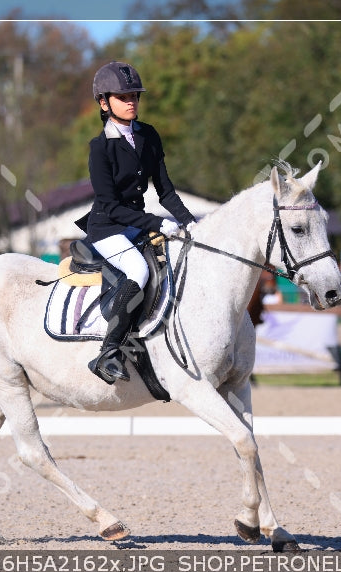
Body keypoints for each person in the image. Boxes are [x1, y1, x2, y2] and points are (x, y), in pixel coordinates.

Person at [75, 61, 196, 384]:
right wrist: (156, 223)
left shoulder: (149, 135)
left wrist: (188, 223)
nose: (132, 101)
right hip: (107, 228)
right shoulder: (99, 148)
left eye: (135, 96)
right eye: (123, 96)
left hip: (137, 224)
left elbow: (166, 191)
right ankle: (108, 352)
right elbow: (112, 207)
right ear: (104, 103)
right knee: (139, 271)